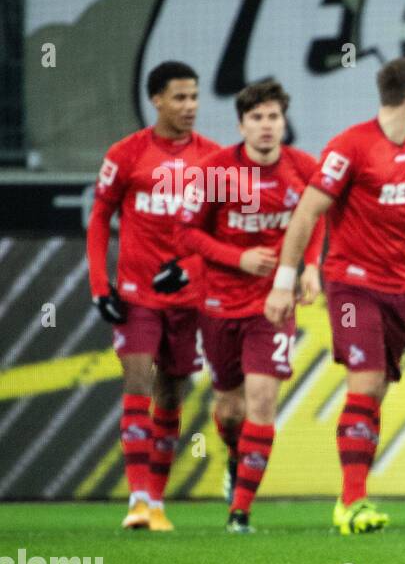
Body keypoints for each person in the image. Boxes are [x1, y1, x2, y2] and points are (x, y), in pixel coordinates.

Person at [265, 57, 405, 534]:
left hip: (401, 286)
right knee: (365, 381)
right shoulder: (349, 147)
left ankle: (353, 496)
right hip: (353, 283)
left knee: (375, 390)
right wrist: (284, 280)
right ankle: (352, 502)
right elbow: (306, 213)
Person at [178, 78, 323, 533]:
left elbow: (315, 221)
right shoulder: (214, 170)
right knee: (230, 408)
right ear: (241, 124)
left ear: (284, 122)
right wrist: (236, 256)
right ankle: (236, 458)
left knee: (261, 401)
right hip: (218, 303)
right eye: (256, 117)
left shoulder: (304, 168)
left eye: (273, 117)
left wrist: (310, 267)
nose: (266, 125)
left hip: (272, 307)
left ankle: (240, 510)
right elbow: (187, 233)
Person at [86, 60, 221, 531]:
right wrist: (100, 286)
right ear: (157, 100)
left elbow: (222, 235)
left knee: (170, 393)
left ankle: (157, 503)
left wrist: (186, 269)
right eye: (180, 97)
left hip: (189, 299)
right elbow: (100, 218)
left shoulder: (216, 160)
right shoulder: (126, 154)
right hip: (137, 295)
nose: (190, 107)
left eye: (194, 97)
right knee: (138, 381)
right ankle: (137, 499)